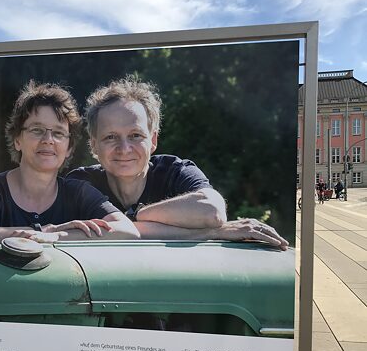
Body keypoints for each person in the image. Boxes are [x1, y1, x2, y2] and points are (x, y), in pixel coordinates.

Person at [68, 76, 288, 249]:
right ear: (94, 146)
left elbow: (212, 211)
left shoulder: (175, 170)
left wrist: (139, 215)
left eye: (135, 135)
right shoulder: (80, 184)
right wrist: (211, 233)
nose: (124, 149)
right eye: (110, 137)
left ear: (153, 140)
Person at [0, 81, 139, 246]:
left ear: (69, 147)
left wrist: (57, 235)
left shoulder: (79, 192)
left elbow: (127, 230)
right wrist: (43, 232)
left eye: (58, 133)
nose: (48, 140)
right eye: (37, 130)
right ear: (17, 139)